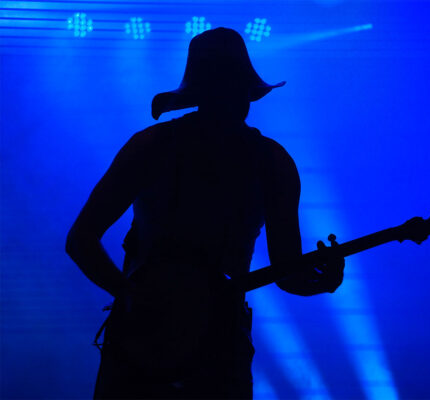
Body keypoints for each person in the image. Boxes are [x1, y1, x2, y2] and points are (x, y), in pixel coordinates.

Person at [65, 27, 345, 399]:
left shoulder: (161, 147)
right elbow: (80, 240)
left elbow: (287, 272)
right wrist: (132, 296)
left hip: (193, 344)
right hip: (168, 347)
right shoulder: (263, 161)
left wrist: (321, 281)